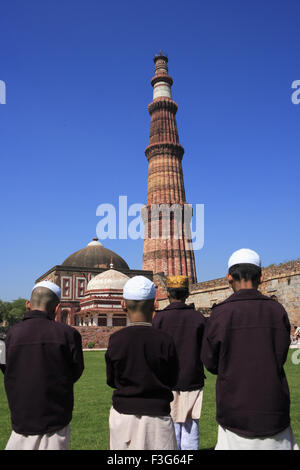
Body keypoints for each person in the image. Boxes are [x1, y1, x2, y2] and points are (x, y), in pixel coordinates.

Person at [201, 248, 299, 450]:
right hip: (274, 407)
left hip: (234, 409)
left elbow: (210, 362)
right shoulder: (276, 310)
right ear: (261, 277)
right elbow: (280, 355)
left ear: (229, 277)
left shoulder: (220, 314)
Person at [3, 280, 84, 450]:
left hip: (21, 421)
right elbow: (75, 372)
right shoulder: (68, 334)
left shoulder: (10, 335)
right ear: (57, 308)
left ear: (27, 304)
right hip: (55, 421)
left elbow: (7, 370)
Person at [105, 275, 178, 450]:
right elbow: (173, 379)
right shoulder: (165, 340)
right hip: (158, 417)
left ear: (123, 304)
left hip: (124, 415)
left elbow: (112, 380)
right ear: (155, 304)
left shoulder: (116, 340)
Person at [152, 275, 206, 450]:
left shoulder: (159, 319)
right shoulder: (198, 318)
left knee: (171, 424)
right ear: (187, 294)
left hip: (167, 381)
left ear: (168, 293)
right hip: (193, 378)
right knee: (191, 426)